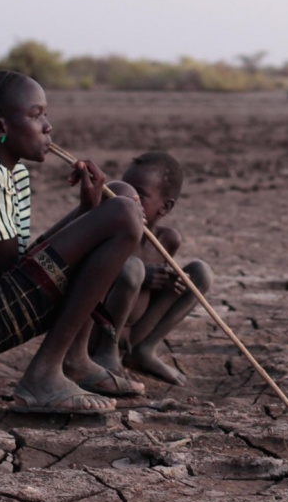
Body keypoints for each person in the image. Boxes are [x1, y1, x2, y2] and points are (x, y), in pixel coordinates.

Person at [0, 70, 144, 413]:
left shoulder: (10, 171)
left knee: (118, 197)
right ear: (0, 128)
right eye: (36, 116)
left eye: (45, 114)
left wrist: (87, 209)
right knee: (121, 213)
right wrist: (91, 217)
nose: (48, 126)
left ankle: (76, 360)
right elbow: (13, 270)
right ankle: (43, 375)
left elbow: (25, 262)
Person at [90, 151, 212, 387]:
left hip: (134, 330)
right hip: (97, 331)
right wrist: (144, 275)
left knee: (199, 273)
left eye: (140, 195)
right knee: (133, 269)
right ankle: (106, 353)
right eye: (124, 191)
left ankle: (144, 350)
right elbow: (92, 276)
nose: (128, 199)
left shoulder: (167, 240)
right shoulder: (111, 231)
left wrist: (167, 281)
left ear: (164, 207)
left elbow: (150, 295)